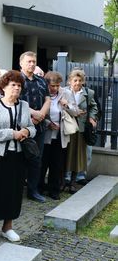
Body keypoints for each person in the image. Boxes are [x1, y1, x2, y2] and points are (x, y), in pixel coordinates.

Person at [0, 70, 36, 242]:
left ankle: (7, 226)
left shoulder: (24, 106)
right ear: (4, 86)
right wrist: (11, 134)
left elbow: (33, 128)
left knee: (13, 191)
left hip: (17, 156)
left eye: (19, 85)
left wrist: (26, 131)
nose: (16, 88)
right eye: (13, 85)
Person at [18, 51, 50, 203]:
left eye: (34, 61)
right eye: (29, 61)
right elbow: (15, 100)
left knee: (36, 159)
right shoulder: (17, 80)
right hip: (22, 127)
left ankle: (33, 190)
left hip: (40, 127)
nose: (32, 64)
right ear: (21, 63)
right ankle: (17, 190)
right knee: (19, 159)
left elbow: (48, 99)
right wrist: (34, 114)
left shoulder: (41, 81)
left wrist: (41, 114)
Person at [41, 71, 77, 199]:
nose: (55, 88)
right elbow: (38, 112)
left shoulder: (65, 93)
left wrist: (66, 105)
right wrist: (47, 123)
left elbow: (75, 111)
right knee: (42, 162)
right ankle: (40, 188)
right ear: (47, 85)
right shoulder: (43, 93)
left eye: (57, 85)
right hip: (45, 134)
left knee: (57, 164)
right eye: (53, 86)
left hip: (60, 134)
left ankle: (54, 190)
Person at [63, 69, 98, 189]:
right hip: (67, 126)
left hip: (81, 127)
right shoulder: (64, 91)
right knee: (67, 152)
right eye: (75, 80)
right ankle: (66, 177)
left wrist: (92, 118)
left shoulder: (89, 93)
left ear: (83, 81)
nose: (77, 83)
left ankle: (77, 176)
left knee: (78, 153)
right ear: (69, 81)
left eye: (80, 80)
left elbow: (94, 107)